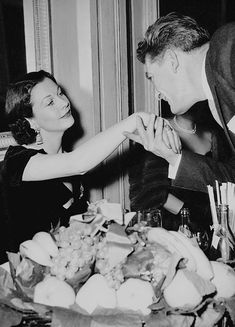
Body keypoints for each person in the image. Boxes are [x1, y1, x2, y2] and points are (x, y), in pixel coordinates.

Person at [1, 70, 153, 252]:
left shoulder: (67, 158)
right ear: (30, 121)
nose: (64, 103)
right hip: (27, 275)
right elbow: (79, 163)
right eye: (50, 102)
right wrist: (137, 119)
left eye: (60, 93)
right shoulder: (17, 163)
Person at [125, 12, 235, 194]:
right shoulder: (216, 95)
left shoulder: (228, 49)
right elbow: (231, 180)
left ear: (171, 61)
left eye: (151, 77)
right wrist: (173, 157)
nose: (157, 95)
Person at [129, 103, 231, 234]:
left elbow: (224, 181)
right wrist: (189, 215)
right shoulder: (158, 132)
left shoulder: (216, 135)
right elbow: (148, 192)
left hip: (215, 226)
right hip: (172, 227)